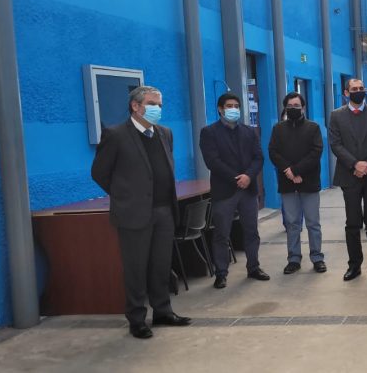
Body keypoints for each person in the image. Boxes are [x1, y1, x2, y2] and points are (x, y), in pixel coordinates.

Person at [91, 85, 191, 339]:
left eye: (160, 104)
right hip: (134, 214)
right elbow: (99, 172)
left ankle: (162, 311)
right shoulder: (115, 135)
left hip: (164, 211)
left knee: (161, 265)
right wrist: (125, 195)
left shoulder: (165, 133)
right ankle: (136, 319)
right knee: (136, 268)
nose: (158, 109)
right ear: (135, 106)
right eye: (152, 104)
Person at [200, 93, 270, 289]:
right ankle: (221, 273)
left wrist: (248, 176)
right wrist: (236, 178)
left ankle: (253, 267)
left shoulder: (249, 132)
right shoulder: (209, 132)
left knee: (251, 231)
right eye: (229, 105)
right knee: (222, 233)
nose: (234, 109)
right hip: (225, 191)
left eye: (236, 106)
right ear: (220, 109)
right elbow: (212, 161)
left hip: (248, 190)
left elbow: (258, 158)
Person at [328, 78, 367, 281]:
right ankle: (354, 265)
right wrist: (355, 164)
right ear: (346, 93)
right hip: (349, 176)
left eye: (361, 88)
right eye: (354, 89)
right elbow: (336, 145)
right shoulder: (336, 116)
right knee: (352, 223)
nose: (358, 91)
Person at [268, 92, 326, 274]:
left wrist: (297, 171)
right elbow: (273, 152)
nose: (293, 108)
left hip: (308, 181)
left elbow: (316, 152)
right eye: (290, 106)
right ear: (285, 108)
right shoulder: (278, 129)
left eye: (296, 105)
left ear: (303, 107)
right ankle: (293, 258)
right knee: (292, 223)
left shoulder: (313, 128)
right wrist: (289, 171)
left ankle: (317, 257)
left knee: (313, 223)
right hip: (287, 182)